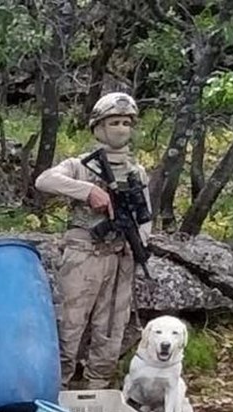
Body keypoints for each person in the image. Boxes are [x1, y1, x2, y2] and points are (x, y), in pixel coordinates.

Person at [34, 92, 152, 390]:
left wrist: (139, 241)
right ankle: (53, 391)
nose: (121, 128)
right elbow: (45, 180)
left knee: (112, 328)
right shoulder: (80, 166)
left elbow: (146, 216)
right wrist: (88, 191)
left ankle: (96, 392)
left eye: (126, 122)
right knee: (68, 326)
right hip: (84, 253)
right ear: (98, 127)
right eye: (114, 121)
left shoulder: (137, 173)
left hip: (120, 255)